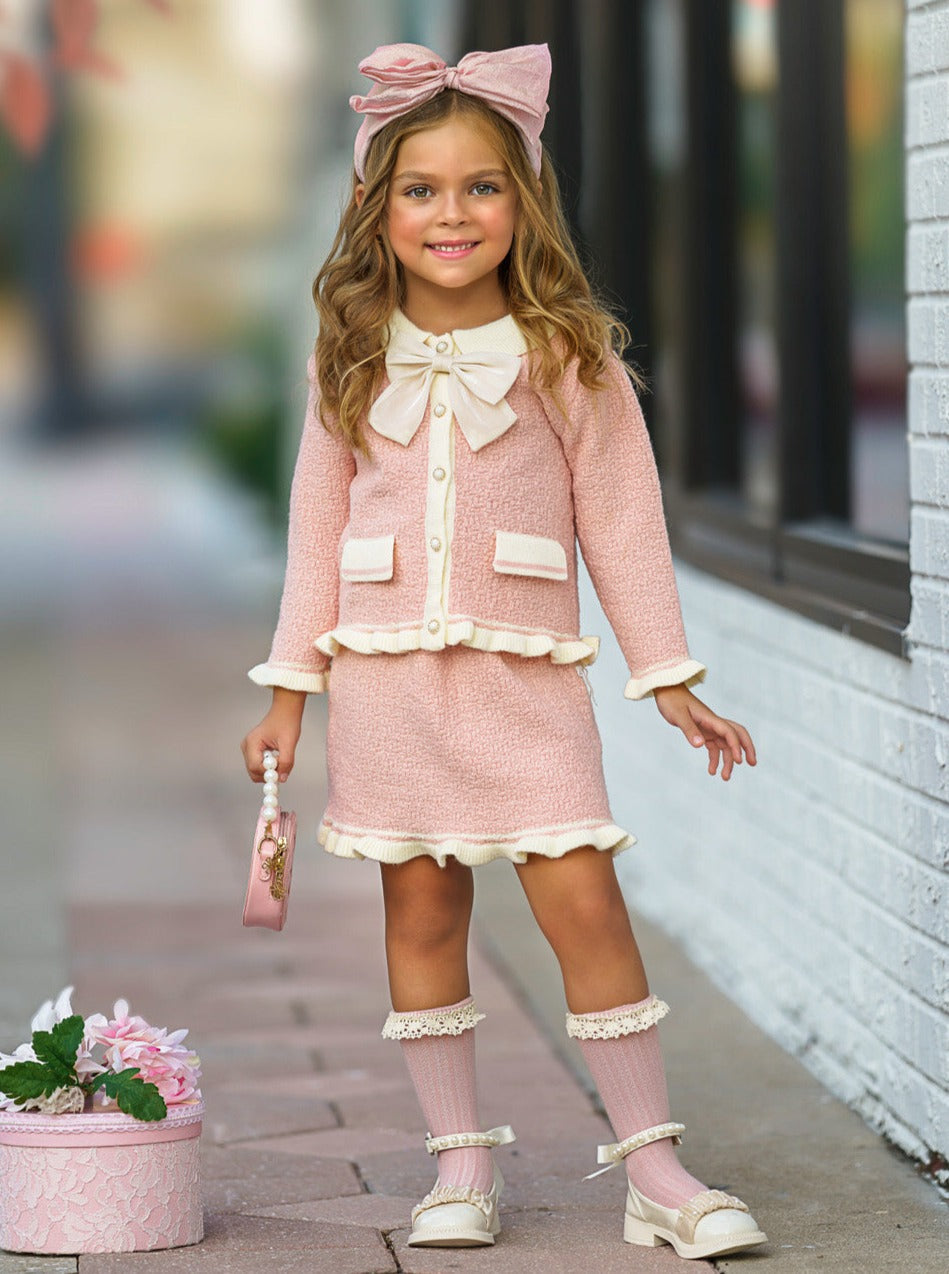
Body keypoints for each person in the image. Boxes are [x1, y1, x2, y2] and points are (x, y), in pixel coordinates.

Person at [240, 41, 767, 1260]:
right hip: (387, 682)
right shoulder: (346, 354)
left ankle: (655, 1170)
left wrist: (668, 674)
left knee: (585, 901)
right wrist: (288, 693)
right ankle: (461, 1166)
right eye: (419, 189)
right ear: (375, 209)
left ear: (523, 202)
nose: (452, 213)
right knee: (423, 914)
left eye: (482, 186)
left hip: (524, 678)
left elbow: (622, 521)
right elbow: (315, 532)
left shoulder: (568, 352)